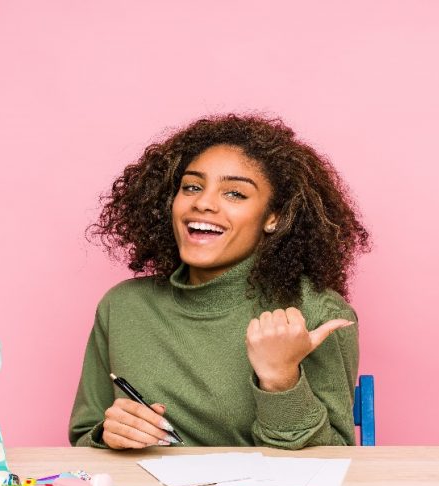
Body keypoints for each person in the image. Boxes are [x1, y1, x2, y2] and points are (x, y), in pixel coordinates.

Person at [68, 114, 370, 450]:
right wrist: (109, 434)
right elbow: (85, 433)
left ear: (274, 217)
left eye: (235, 194)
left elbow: (337, 459)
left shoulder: (317, 312)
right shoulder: (122, 307)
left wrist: (281, 379)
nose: (203, 202)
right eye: (192, 187)